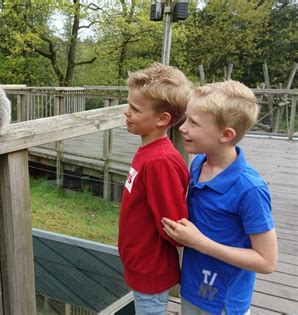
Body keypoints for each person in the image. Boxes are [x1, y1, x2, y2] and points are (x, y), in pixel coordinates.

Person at [162, 80, 278, 315]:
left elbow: (267, 261)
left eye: (193, 123)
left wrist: (199, 243)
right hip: (192, 288)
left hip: (224, 303)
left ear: (226, 135)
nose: (182, 128)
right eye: (186, 118)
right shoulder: (198, 164)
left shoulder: (250, 189)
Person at [118, 63, 192, 315]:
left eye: (135, 109)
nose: (126, 112)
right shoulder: (148, 152)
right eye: (128, 104)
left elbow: (174, 226)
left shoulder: (159, 162)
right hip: (140, 265)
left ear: (163, 119)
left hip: (151, 269)